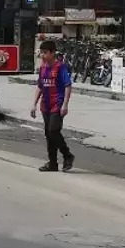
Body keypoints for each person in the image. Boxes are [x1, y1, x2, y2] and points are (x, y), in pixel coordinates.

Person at [31, 39, 75, 173]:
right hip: (45, 106)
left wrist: (65, 105)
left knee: (53, 131)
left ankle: (67, 155)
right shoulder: (43, 68)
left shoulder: (60, 67)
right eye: (41, 53)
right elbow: (40, 86)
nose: (43, 55)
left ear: (52, 53)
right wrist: (34, 104)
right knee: (48, 134)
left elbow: (67, 86)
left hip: (57, 104)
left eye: (45, 53)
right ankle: (52, 163)